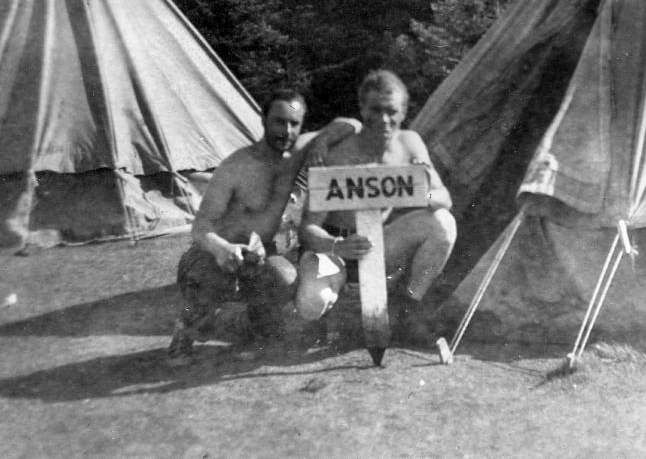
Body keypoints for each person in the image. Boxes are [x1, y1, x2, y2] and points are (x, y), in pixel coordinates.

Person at [166, 90, 356, 366]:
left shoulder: (298, 151)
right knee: (206, 282)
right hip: (214, 254)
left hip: (261, 253)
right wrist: (222, 248)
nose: (287, 130)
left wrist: (322, 141)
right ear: (264, 120)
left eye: (295, 123)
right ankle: (186, 330)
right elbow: (200, 227)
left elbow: (351, 124)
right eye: (279, 121)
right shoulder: (237, 166)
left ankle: (253, 330)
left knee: (284, 277)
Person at [295, 70, 456, 346]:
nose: (384, 120)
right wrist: (336, 245)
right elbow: (307, 229)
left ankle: (408, 307)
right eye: (375, 110)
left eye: (392, 111)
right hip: (334, 247)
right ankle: (321, 317)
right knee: (313, 301)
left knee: (442, 223)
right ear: (362, 109)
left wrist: (419, 191)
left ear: (404, 111)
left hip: (378, 244)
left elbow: (444, 197)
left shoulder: (409, 143)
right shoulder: (340, 152)